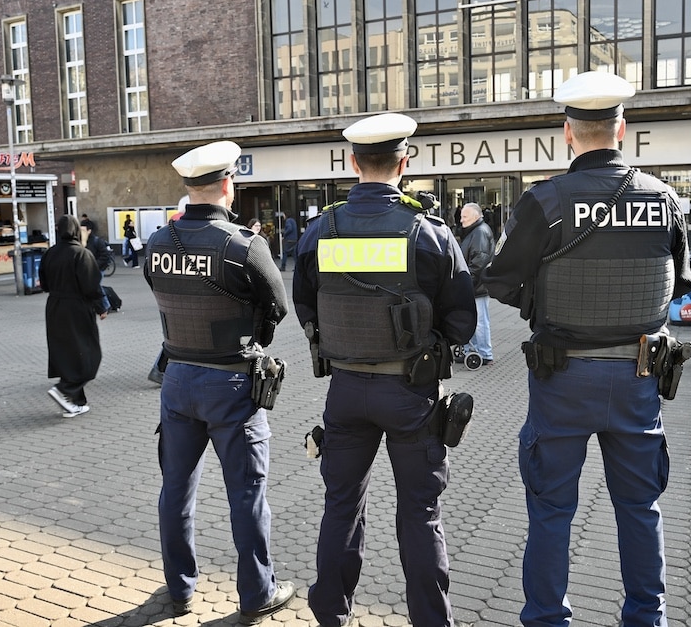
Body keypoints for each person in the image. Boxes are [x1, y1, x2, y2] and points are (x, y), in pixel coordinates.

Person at [481, 71, 691, 627]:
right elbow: (681, 283)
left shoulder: (545, 200)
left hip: (562, 378)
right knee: (641, 510)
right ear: (622, 129)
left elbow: (499, 281)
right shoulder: (665, 198)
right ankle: (647, 619)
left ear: (567, 134)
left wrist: (545, 304)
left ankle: (548, 619)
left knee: (551, 512)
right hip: (639, 378)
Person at [293, 112, 476, 627]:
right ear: (405, 162)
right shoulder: (431, 232)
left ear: (353, 163)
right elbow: (462, 320)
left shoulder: (319, 230)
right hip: (411, 393)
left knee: (340, 507)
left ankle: (330, 614)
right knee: (420, 514)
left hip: (345, 391)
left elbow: (305, 307)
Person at [144, 140, 294, 623]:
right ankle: (257, 594)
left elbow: (160, 291)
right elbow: (278, 308)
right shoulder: (243, 245)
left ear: (189, 188)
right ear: (228, 184)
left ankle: (179, 589)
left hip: (178, 380)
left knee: (175, 492)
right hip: (232, 385)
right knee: (247, 496)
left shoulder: (158, 242)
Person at [39, 215, 108, 417]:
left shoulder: (50, 253)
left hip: (54, 306)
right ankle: (64, 390)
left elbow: (43, 283)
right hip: (77, 307)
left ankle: (75, 402)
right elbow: (91, 285)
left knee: (66, 352)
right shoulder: (81, 254)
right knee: (89, 353)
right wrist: (101, 307)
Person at [458, 201, 495, 365]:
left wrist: (465, 285)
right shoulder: (475, 231)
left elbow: (478, 263)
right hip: (476, 285)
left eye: (464, 216)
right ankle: (473, 350)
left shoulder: (479, 232)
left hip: (477, 287)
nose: (461, 220)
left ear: (475, 216)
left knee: (479, 322)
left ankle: (484, 353)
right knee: (475, 320)